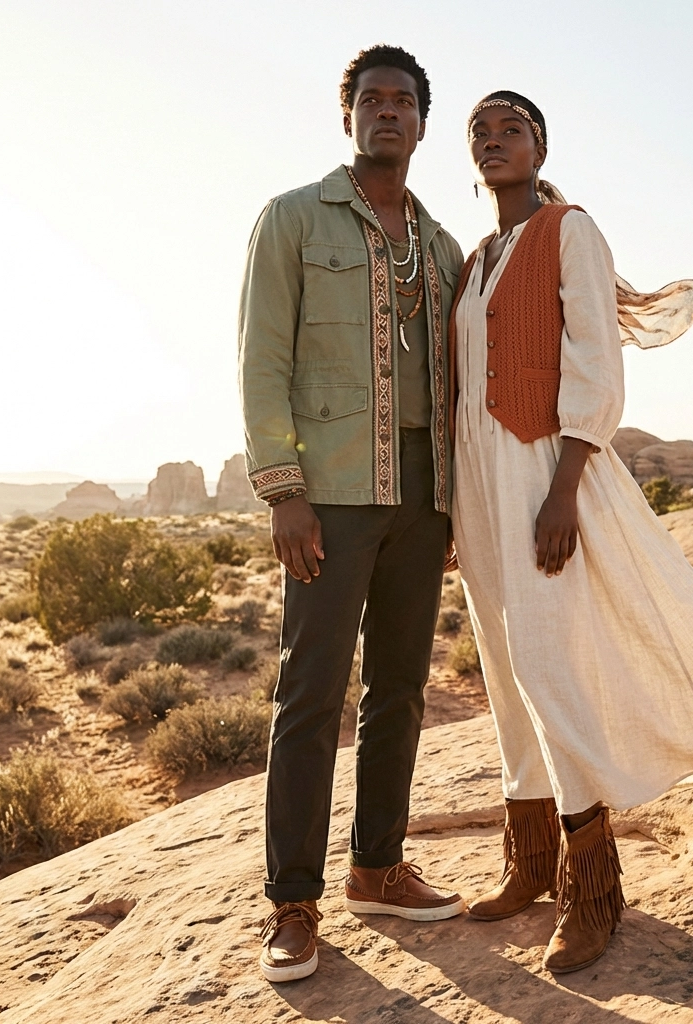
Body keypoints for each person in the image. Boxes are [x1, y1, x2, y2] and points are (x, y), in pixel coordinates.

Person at [450, 91, 693, 975]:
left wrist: (563, 487)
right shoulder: (475, 259)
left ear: (540, 146)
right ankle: (530, 862)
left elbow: (594, 364)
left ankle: (593, 889)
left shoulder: (569, 229)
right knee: (505, 675)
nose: (495, 142)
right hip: (477, 485)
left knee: (549, 665)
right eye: (481, 133)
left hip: (545, 469)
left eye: (512, 129)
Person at [238, 45, 466, 984]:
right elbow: (262, 362)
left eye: (402, 102)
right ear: (348, 119)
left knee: (402, 690)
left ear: (420, 124)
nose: (386, 113)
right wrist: (284, 490)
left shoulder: (443, 245)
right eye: (370, 100)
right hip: (328, 492)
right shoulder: (293, 219)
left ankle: (377, 866)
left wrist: (457, 502)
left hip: (423, 493)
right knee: (310, 697)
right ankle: (294, 902)